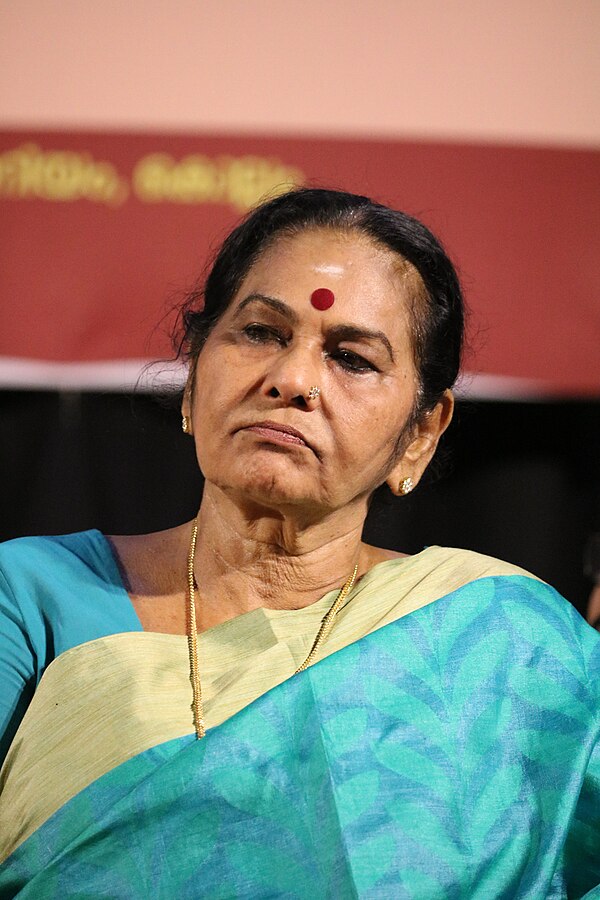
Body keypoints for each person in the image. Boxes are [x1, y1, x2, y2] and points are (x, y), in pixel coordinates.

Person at [0, 188, 598, 898]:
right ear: (193, 380)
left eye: (351, 358)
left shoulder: (504, 643)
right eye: (259, 333)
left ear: (421, 434)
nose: (291, 380)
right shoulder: (30, 596)